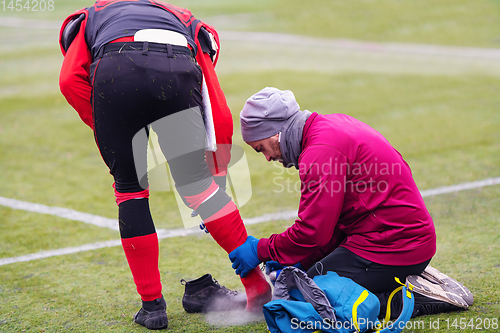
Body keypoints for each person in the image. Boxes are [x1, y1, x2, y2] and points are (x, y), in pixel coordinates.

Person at [58, 1, 271, 329]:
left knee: (130, 192)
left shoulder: (91, 14)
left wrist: (109, 125)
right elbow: (215, 100)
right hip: (179, 71)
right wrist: (215, 173)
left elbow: (70, 79)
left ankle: (152, 307)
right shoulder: (184, 19)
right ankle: (257, 285)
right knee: (200, 189)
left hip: (116, 72)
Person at [229, 87, 473, 319]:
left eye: (261, 148)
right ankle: (404, 277)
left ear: (276, 132)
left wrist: (261, 249)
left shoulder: (320, 151)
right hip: (391, 238)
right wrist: (299, 258)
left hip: (395, 245)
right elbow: (335, 225)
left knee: (305, 297)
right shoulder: (329, 127)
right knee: (301, 276)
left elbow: (314, 231)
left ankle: (409, 296)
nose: (269, 158)